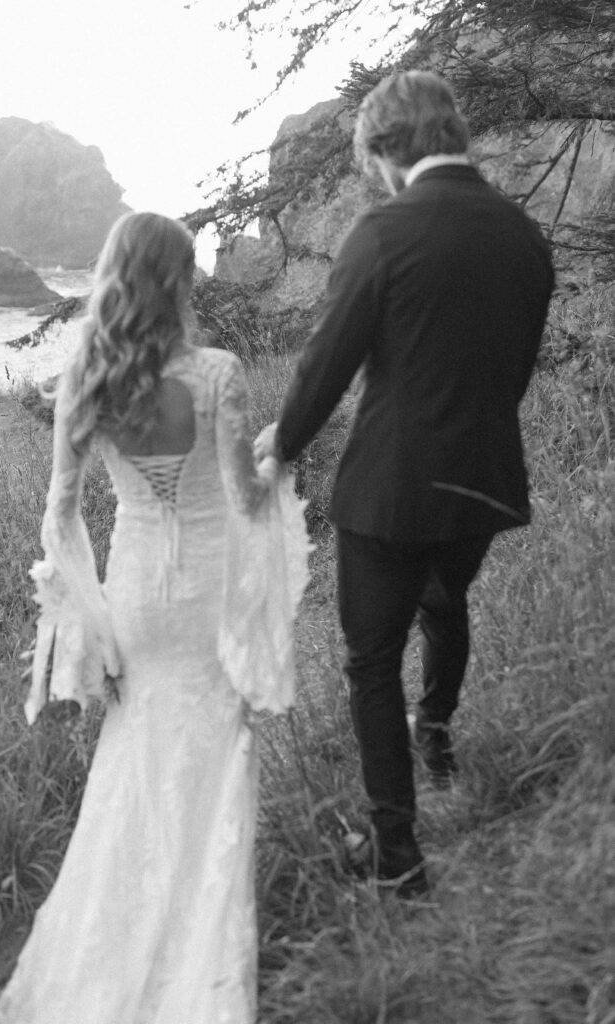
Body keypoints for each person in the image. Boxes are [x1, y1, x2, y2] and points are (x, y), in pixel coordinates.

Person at [0, 211, 311, 1024]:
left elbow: (60, 517)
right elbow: (244, 495)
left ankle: (112, 948)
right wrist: (277, 453)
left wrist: (87, 624)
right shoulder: (216, 373)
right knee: (213, 755)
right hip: (205, 591)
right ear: (177, 279)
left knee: (130, 765)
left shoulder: (85, 379)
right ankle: (198, 955)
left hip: (134, 596)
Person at [255, 70, 554, 898]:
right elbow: (511, 369)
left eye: (370, 161)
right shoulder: (523, 235)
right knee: (443, 601)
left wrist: (280, 445)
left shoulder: (384, 231)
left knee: (369, 660)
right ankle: (439, 738)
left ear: (386, 149)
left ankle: (397, 856)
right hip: (485, 481)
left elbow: (326, 363)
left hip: (389, 491)